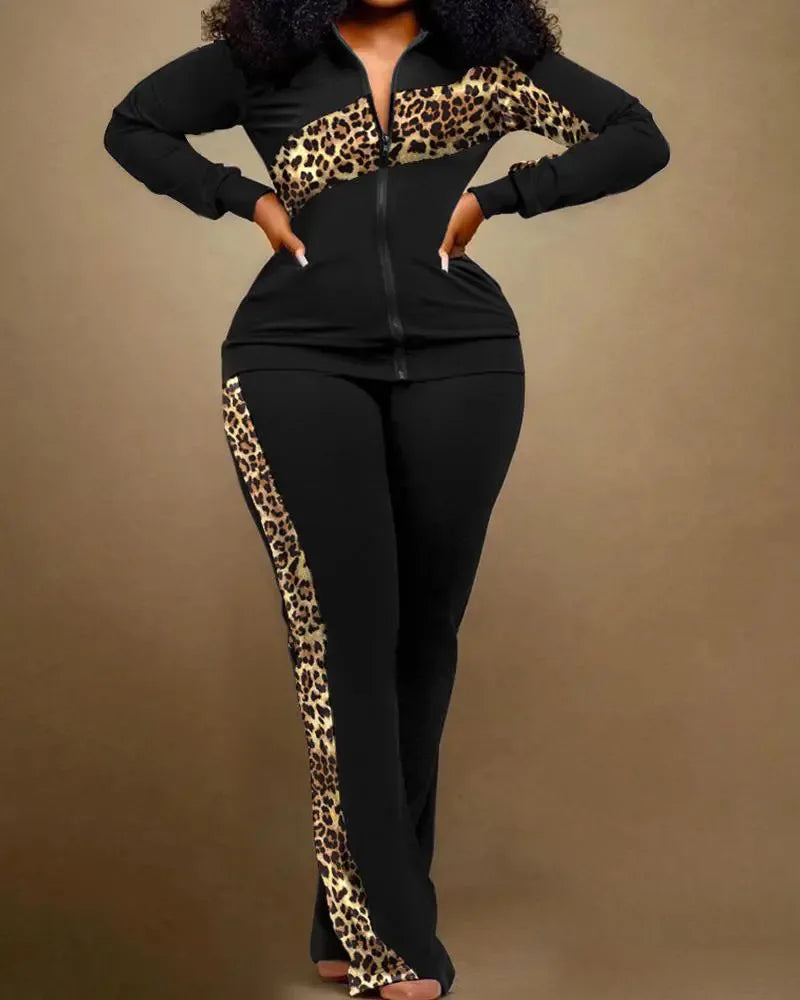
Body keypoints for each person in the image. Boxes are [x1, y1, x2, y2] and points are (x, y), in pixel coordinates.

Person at [102, 0, 670, 996]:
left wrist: (499, 198)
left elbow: (635, 137)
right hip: (293, 359)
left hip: (466, 359)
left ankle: (347, 911)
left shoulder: (489, 61)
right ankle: (393, 941)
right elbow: (133, 125)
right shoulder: (265, 57)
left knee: (422, 643)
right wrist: (244, 197)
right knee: (345, 644)